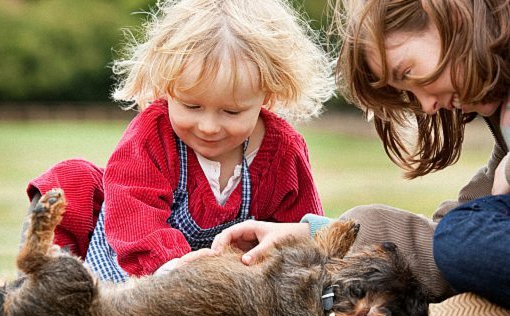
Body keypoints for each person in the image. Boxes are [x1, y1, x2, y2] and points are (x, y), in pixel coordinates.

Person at [213, 0, 510, 316]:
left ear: (448, 14)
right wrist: (317, 235)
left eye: (409, 71)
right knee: (458, 238)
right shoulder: (502, 122)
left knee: (459, 237)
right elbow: (441, 244)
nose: (428, 106)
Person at [22, 0, 333, 282]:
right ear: (166, 86)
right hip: (137, 272)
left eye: (231, 111)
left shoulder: (284, 152)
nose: (209, 126)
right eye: (191, 106)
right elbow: (133, 209)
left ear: (269, 94)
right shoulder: (153, 134)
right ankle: (49, 279)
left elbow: (298, 237)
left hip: (222, 288)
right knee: (73, 178)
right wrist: (171, 266)